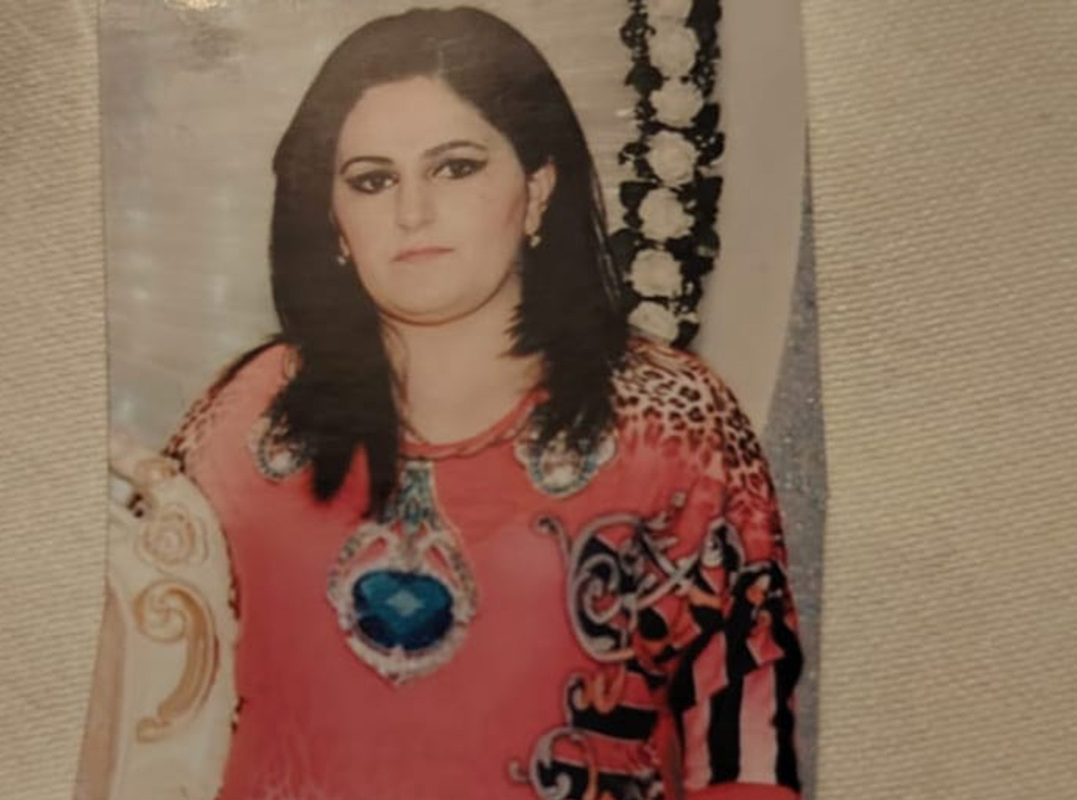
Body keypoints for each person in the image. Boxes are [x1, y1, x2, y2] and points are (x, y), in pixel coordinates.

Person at [152, 7, 803, 800]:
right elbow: (143, 696)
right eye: (373, 180)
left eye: (455, 168)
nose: (412, 212)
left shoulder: (668, 422)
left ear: (537, 189)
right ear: (334, 222)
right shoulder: (248, 418)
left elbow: (745, 751)